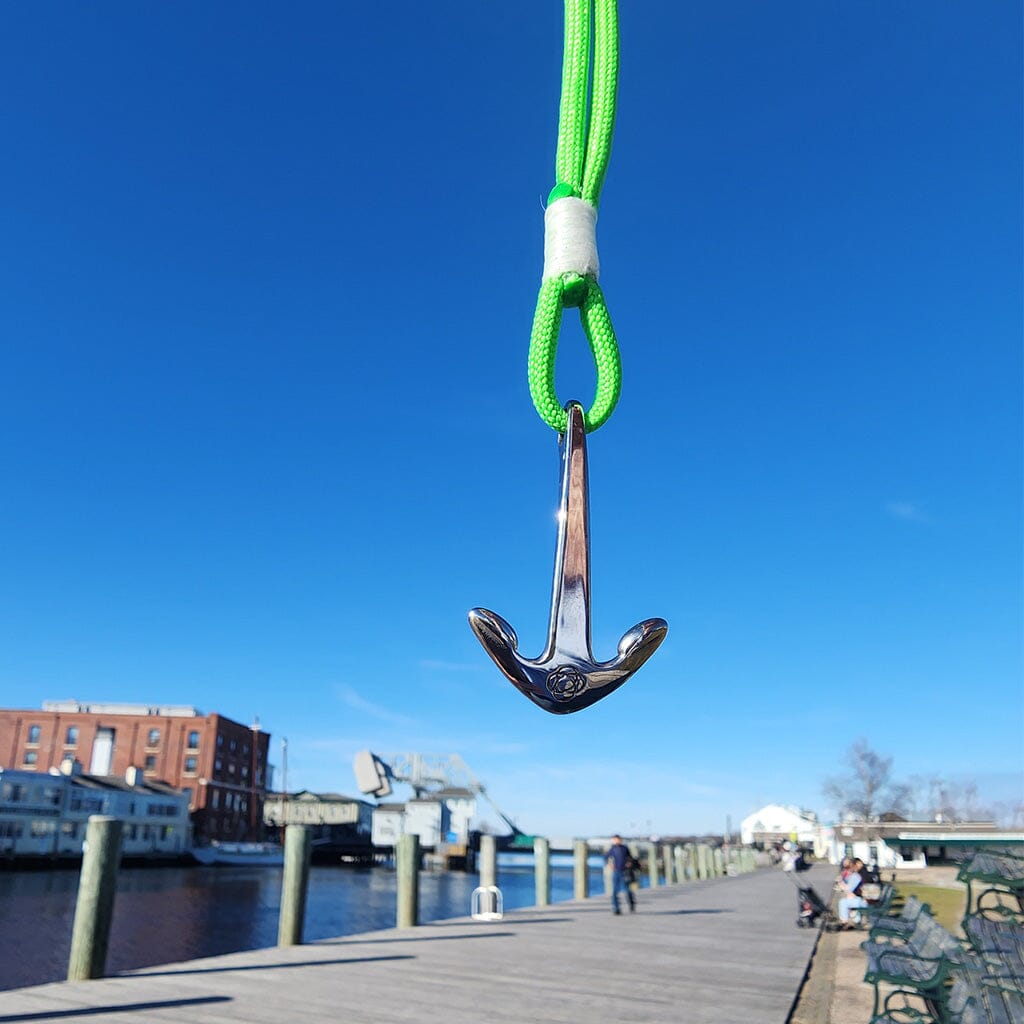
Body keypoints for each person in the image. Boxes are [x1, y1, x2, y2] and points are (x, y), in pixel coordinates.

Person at [605, 835, 636, 915]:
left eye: (618, 840)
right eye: (615, 840)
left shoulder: (624, 848)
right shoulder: (613, 849)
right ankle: (616, 908)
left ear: (620, 840)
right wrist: (610, 864)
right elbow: (606, 857)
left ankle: (631, 903)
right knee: (615, 891)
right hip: (616, 872)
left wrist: (629, 863)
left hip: (625, 872)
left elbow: (630, 858)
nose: (617, 841)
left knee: (627, 890)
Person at [835, 856, 868, 928]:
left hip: (863, 901)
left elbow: (848, 889)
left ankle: (845, 922)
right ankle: (856, 920)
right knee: (849, 898)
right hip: (864, 899)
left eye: (847, 867)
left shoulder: (856, 876)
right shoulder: (858, 874)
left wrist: (840, 882)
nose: (847, 870)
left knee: (843, 902)